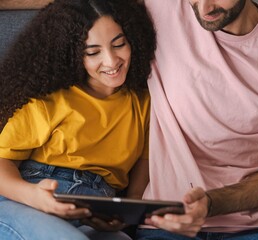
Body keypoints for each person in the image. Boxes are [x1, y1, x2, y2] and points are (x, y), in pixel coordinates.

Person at [5, 0, 258, 239]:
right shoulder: (162, 9)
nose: (203, 6)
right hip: (162, 223)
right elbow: (83, 12)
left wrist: (206, 204)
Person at [0, 0, 156, 239]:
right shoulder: (49, 101)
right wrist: (35, 197)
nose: (112, 61)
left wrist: (124, 216)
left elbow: (141, 173)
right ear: (73, 54)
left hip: (93, 209)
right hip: (25, 200)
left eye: (119, 44)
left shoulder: (143, 102)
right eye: (93, 52)